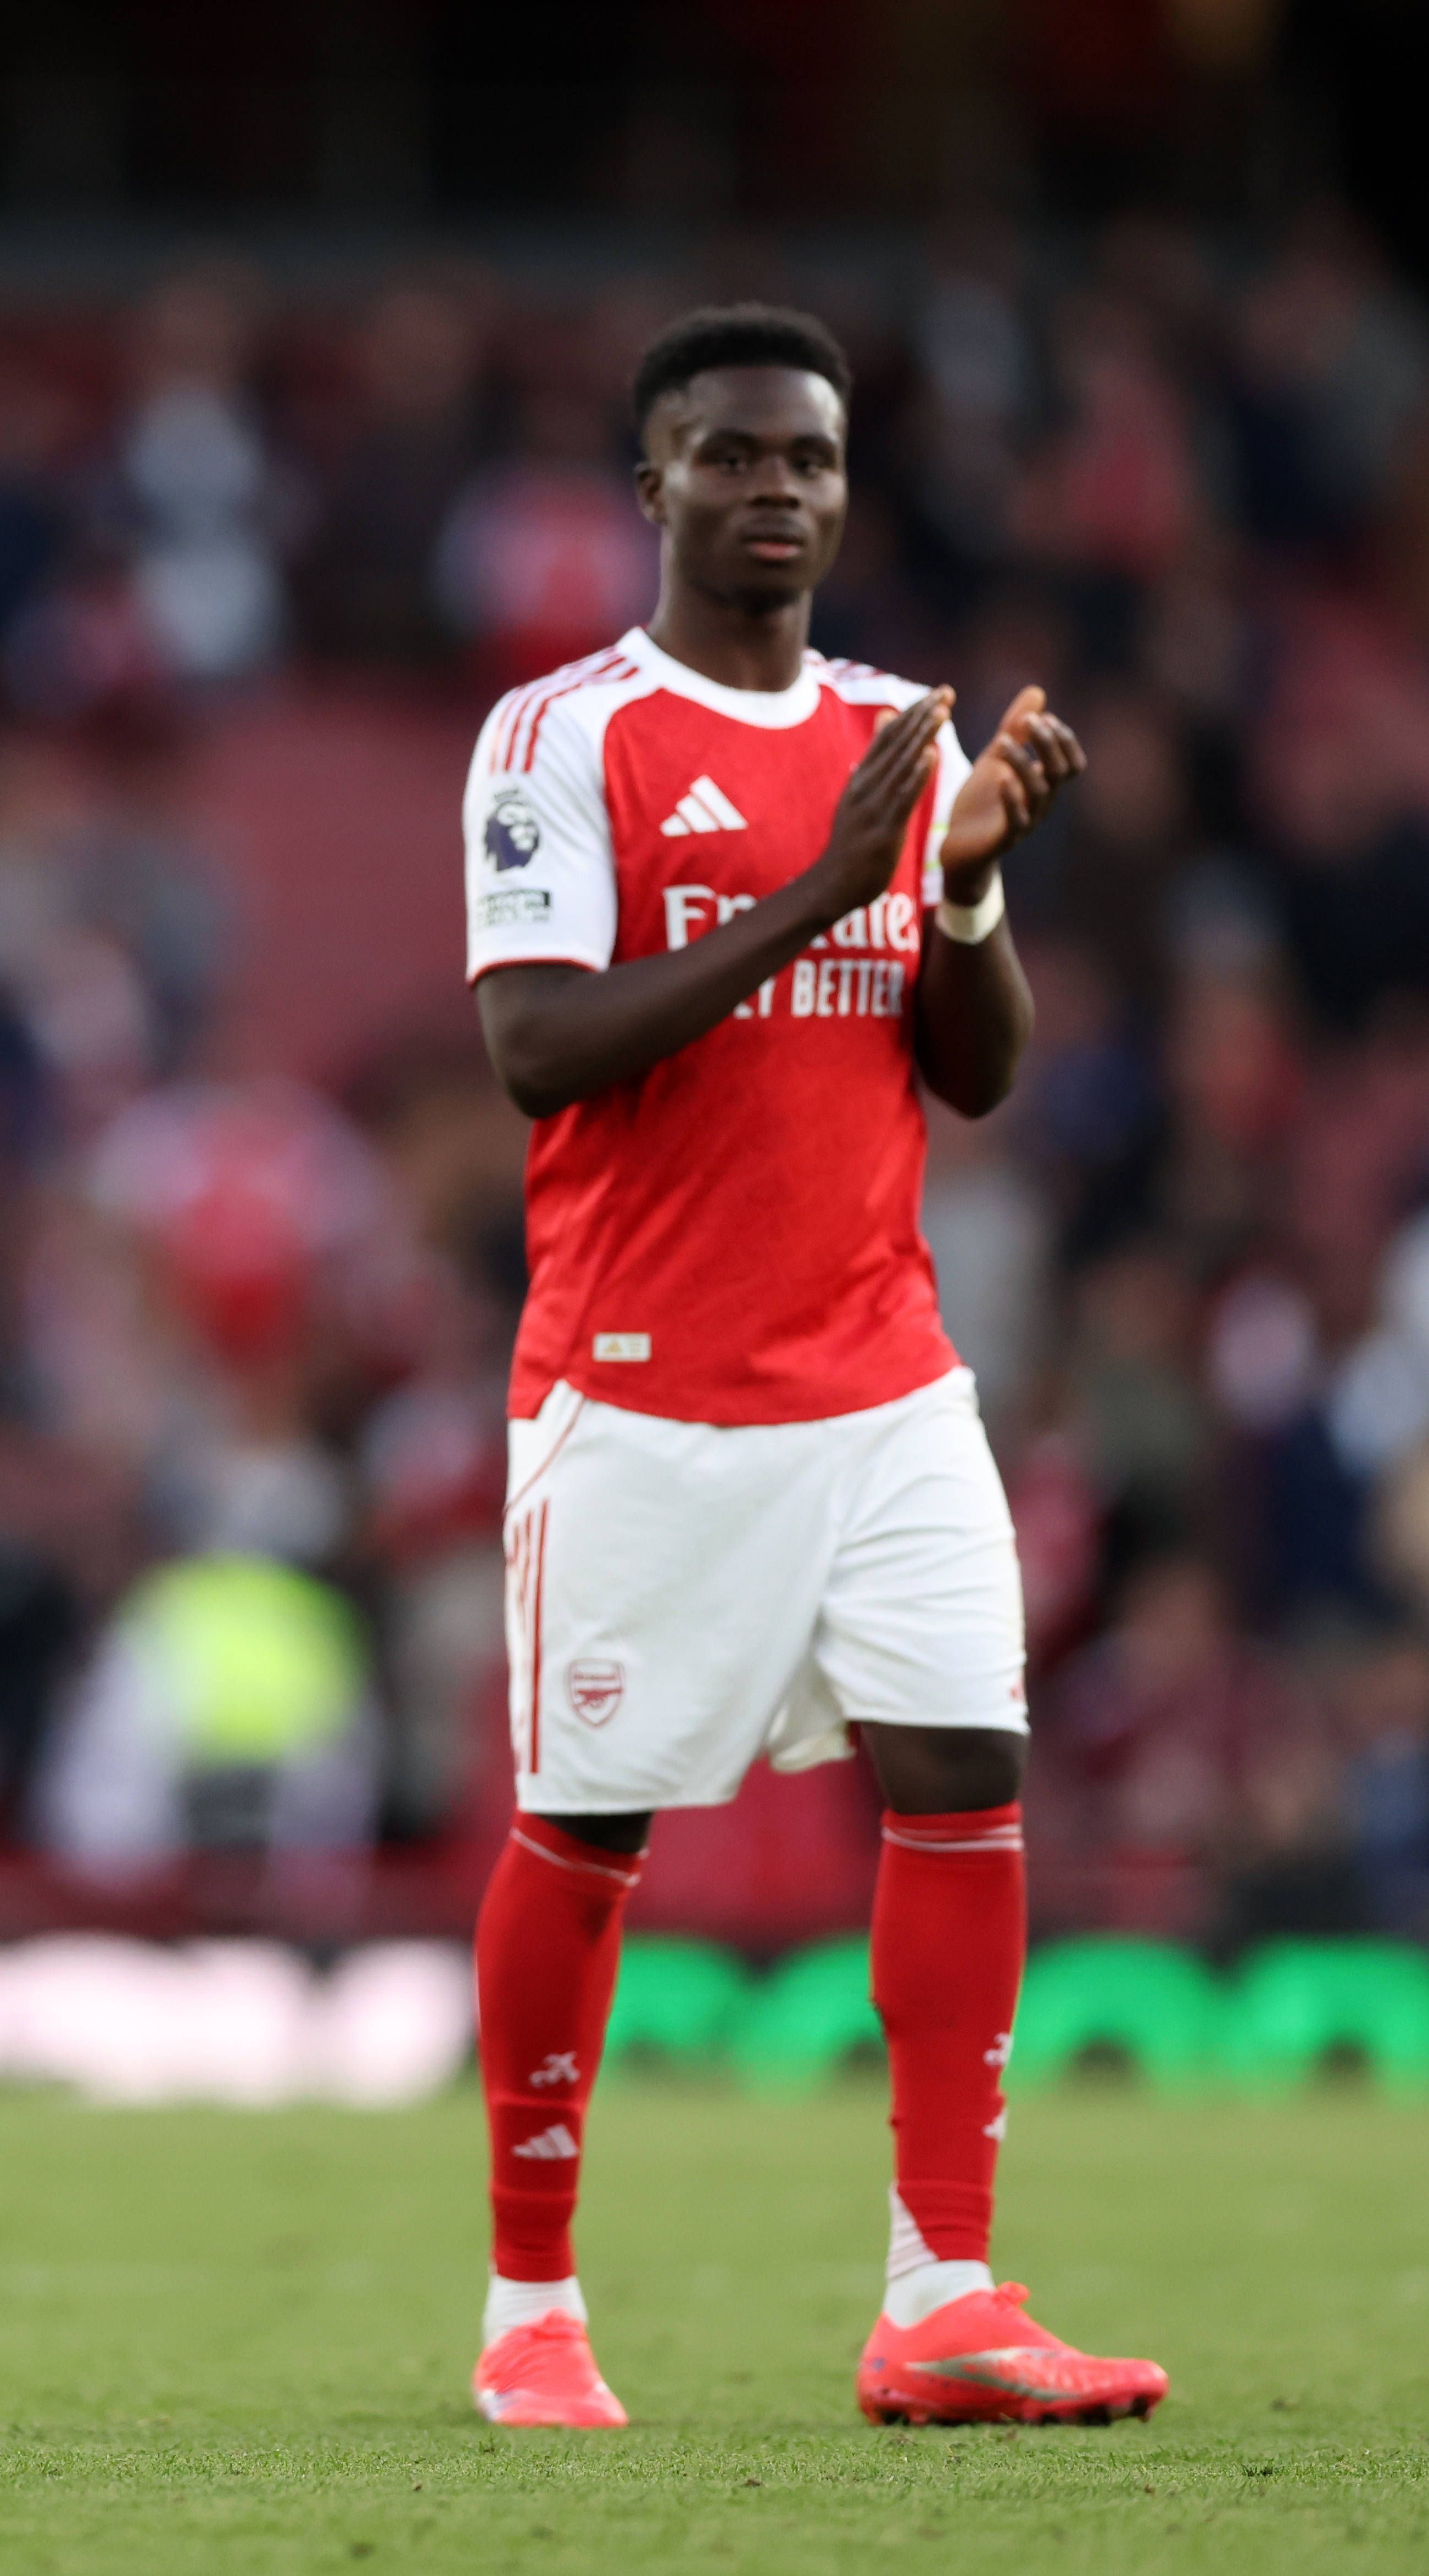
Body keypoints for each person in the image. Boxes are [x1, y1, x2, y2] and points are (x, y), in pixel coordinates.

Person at [457, 304, 1165, 2431]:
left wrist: (957, 894)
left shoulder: (895, 735)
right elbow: (534, 1049)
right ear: (653, 482)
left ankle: (939, 2294)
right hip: (641, 1386)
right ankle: (526, 2308)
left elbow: (974, 1071)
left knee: (964, 1773)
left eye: (810, 460)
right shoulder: (558, 736)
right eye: (731, 455)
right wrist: (821, 886)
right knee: (585, 1826)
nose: (775, 488)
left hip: (882, 1378)